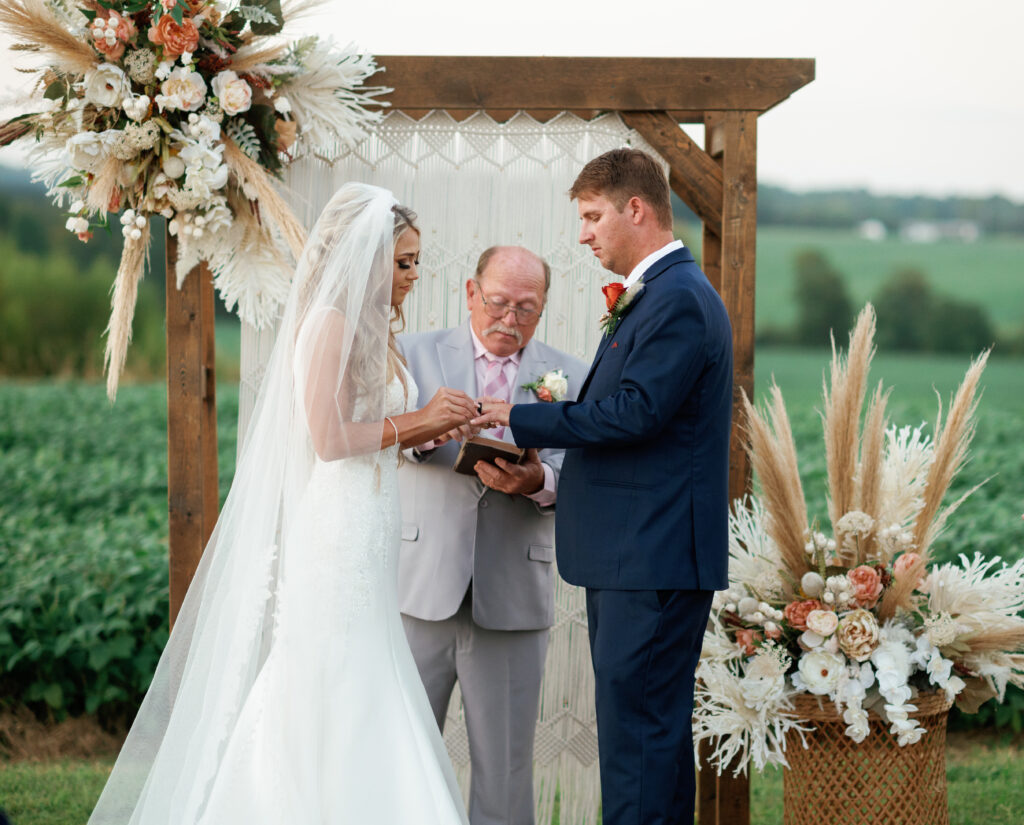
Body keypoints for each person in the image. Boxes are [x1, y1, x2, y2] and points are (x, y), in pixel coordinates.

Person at [88, 184, 477, 824]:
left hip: (373, 522)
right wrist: (417, 421)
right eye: (403, 261)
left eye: (415, 261)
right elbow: (328, 441)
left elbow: (378, 433)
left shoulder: (377, 331)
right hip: (339, 526)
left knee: (367, 661)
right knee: (332, 667)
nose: (414, 274)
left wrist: (436, 427)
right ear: (365, 259)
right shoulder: (328, 322)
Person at [474, 149, 733, 825]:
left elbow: (633, 414)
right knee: (651, 742)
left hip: (647, 560)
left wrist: (513, 412)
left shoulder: (675, 299)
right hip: (640, 557)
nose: (584, 233)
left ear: (636, 209)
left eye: (593, 216)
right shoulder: (664, 293)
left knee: (636, 748)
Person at [397, 246, 587, 825]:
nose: (509, 319)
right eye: (499, 303)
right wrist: (430, 431)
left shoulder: (570, 374)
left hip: (512, 595)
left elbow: (579, 474)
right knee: (402, 754)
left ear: (544, 307)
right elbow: (380, 444)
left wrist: (538, 481)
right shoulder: (411, 352)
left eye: (526, 309)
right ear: (471, 292)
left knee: (505, 766)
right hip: (418, 587)